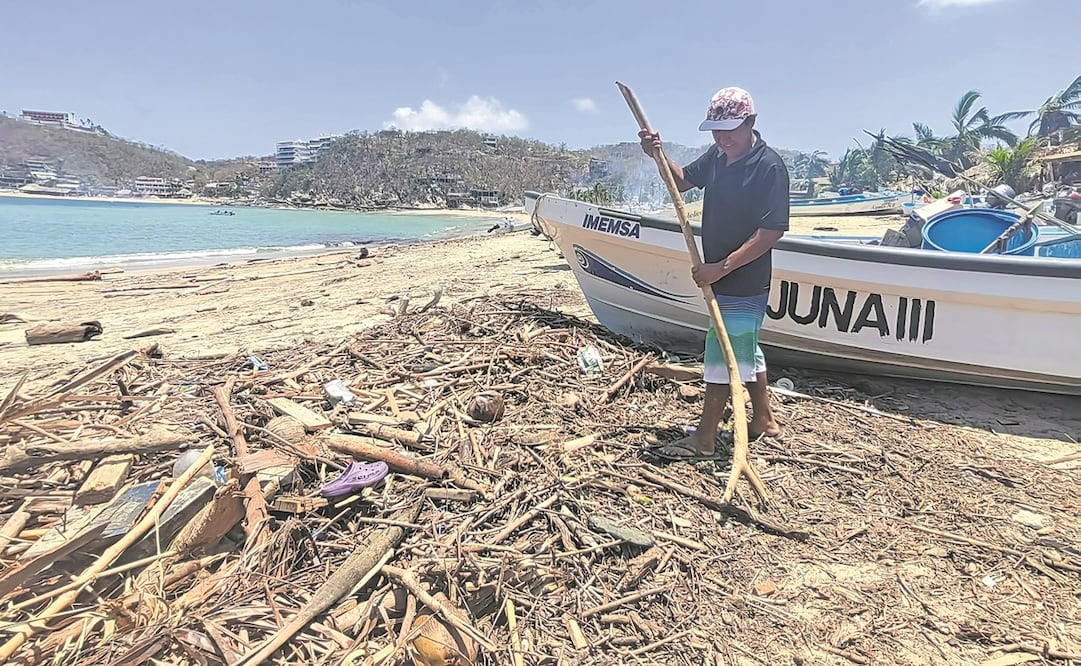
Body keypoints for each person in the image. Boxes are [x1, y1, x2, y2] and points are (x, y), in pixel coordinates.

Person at [639, 86, 788, 461]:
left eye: (731, 130)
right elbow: (682, 182)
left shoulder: (769, 167)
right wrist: (657, 154)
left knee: (723, 354)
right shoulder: (718, 157)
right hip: (720, 275)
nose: (723, 138)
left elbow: (771, 231)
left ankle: (704, 439)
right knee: (743, 348)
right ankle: (764, 421)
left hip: (743, 278)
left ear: (751, 122)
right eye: (716, 131)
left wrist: (718, 269)